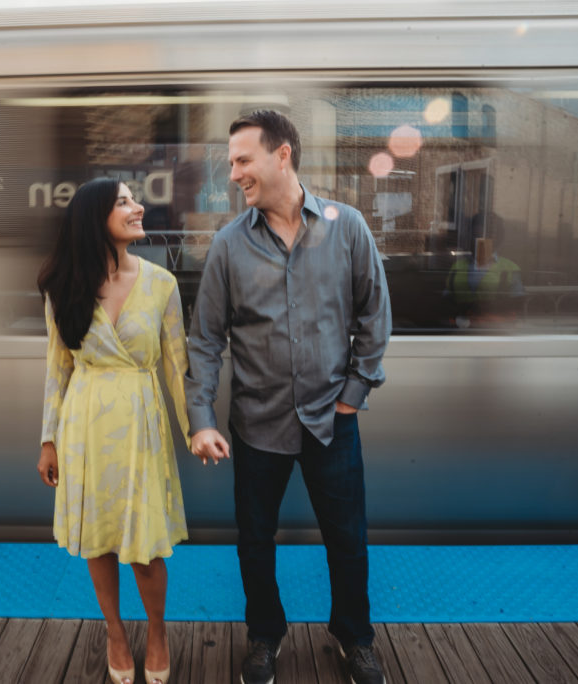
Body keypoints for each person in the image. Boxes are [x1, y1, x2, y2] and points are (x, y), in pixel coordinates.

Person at [185, 110, 391, 684]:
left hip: (332, 421)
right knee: (255, 541)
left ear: (282, 156)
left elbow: (375, 316)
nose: (234, 174)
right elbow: (204, 341)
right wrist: (200, 418)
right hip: (256, 425)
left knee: (348, 539)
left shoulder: (347, 227)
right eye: (231, 163)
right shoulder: (229, 245)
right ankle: (264, 637)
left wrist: (352, 395)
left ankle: (355, 638)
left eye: (243, 160)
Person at [37, 177, 190, 684]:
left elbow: (176, 368)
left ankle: (158, 630)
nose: (137, 207)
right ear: (93, 218)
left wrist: (196, 429)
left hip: (141, 425)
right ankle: (116, 633)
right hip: (83, 427)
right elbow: (58, 369)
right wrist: (48, 439)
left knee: (145, 548)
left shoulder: (162, 284)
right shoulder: (63, 288)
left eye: (133, 199)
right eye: (123, 201)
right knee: (98, 540)